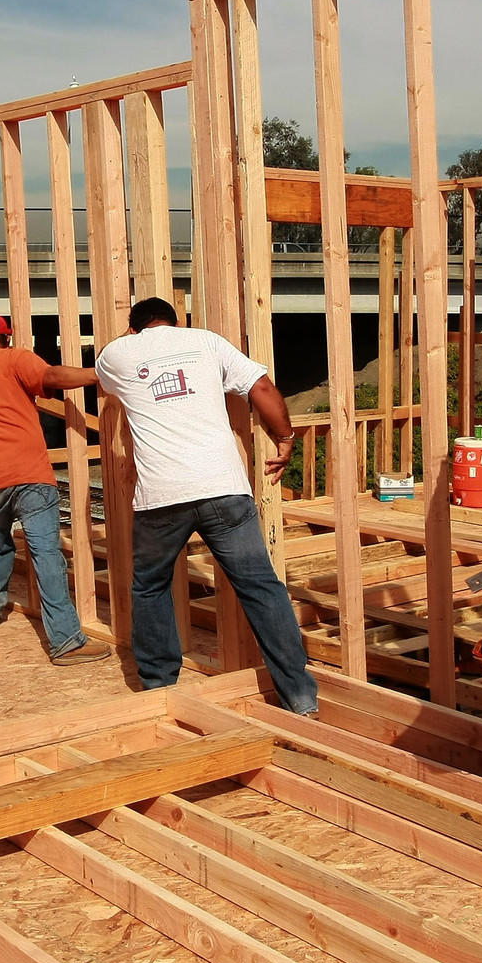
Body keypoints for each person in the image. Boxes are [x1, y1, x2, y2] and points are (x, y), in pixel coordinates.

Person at [93, 297, 316, 715]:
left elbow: (106, 374)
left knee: (150, 586)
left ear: (136, 327)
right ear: (177, 322)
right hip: (223, 488)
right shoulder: (207, 342)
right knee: (261, 588)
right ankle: (300, 696)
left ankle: (160, 686)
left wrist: (132, 337)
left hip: (162, 497)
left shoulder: (118, 352)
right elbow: (261, 388)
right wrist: (284, 438)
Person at [0, 281, 111, 666]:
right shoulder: (16, 358)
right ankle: (66, 641)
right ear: (7, 337)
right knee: (46, 555)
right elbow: (52, 378)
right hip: (29, 475)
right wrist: (95, 374)